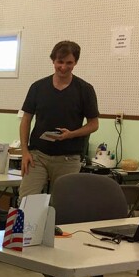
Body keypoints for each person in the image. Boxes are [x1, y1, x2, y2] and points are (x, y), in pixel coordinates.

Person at [19, 40, 99, 197]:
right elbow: (26, 119)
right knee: (26, 200)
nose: (63, 67)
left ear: (75, 62)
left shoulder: (85, 89)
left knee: (63, 202)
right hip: (38, 155)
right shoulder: (38, 87)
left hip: (68, 158)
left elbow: (94, 124)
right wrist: (24, 151)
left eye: (69, 63)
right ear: (53, 61)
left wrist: (71, 134)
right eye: (60, 62)